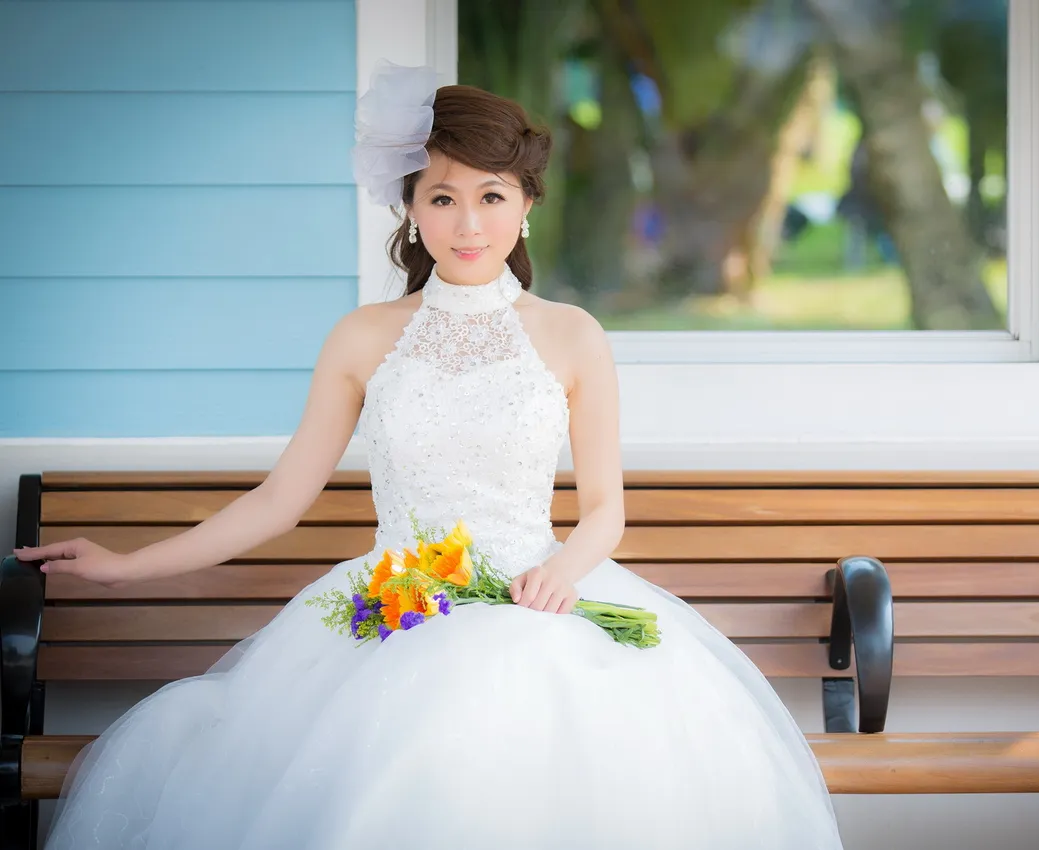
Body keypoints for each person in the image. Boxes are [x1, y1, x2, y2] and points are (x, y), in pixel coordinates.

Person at [15, 61, 845, 849]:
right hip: (395, 607)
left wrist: (562, 572)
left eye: (491, 195)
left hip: (538, 603)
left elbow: (605, 510)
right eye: (443, 197)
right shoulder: (363, 337)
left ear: (527, 205)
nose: (468, 222)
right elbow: (278, 501)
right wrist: (123, 566)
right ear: (411, 207)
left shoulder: (571, 335)